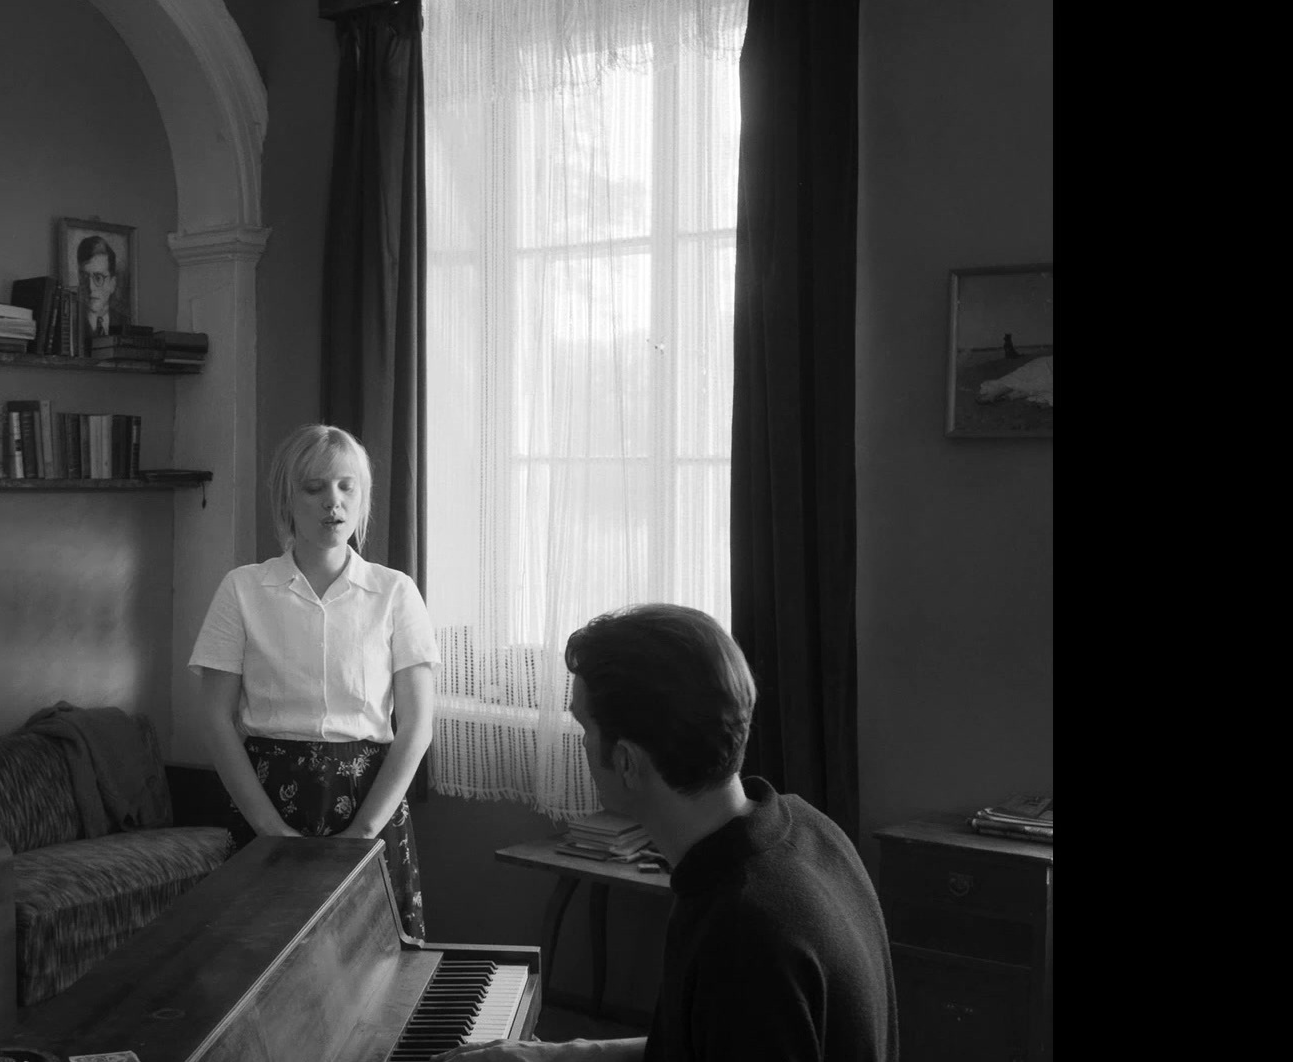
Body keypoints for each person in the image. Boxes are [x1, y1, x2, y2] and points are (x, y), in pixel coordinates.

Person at [434, 604, 896, 1061]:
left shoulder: (744, 934)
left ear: (627, 762)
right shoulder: (805, 827)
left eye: (583, 726)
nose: (582, 744)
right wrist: (559, 1055)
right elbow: (705, 1045)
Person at [187, 423, 438, 939]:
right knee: (262, 959)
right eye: (314, 487)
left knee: (373, 964)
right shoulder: (242, 589)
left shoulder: (395, 592)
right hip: (268, 796)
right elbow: (215, 718)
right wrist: (269, 829)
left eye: (347, 487)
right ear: (287, 499)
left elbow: (417, 726)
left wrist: (364, 831)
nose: (333, 502)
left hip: (370, 799)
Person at [76, 234, 129, 339]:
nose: (91, 287)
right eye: (84, 277)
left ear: (112, 284)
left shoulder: (124, 322)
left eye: (98, 278)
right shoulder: (72, 321)